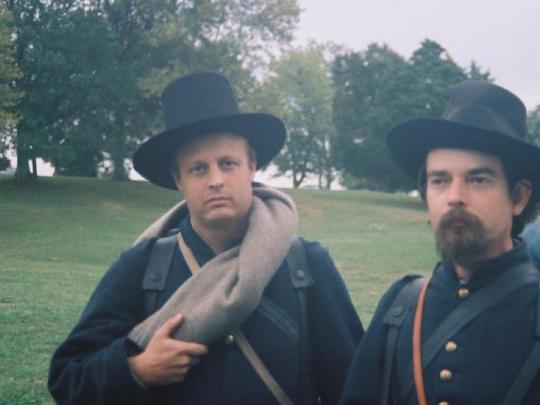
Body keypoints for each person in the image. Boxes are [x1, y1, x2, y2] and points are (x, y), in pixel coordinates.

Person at [48, 72, 363, 404]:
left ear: (251, 166)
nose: (216, 180)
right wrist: (138, 370)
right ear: (178, 178)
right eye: (198, 168)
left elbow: (353, 387)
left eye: (228, 163)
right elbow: (68, 378)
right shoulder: (142, 266)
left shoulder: (306, 265)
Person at [340, 80, 540, 404]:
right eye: (440, 180)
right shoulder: (400, 305)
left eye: (478, 179)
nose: (455, 197)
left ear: (518, 197)